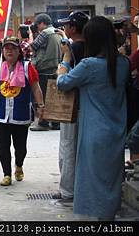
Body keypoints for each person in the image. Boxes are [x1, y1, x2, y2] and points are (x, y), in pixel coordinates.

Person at [56, 16, 129, 220]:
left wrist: (66, 60)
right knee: (111, 180)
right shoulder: (123, 63)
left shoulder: (89, 65)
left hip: (94, 132)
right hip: (116, 131)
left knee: (93, 180)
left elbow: (63, 83)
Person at [0, 36, 44, 186]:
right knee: (3, 146)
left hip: (21, 115)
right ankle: (6, 174)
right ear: (2, 51)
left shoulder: (28, 67)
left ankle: (19, 165)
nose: (9, 51)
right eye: (6, 48)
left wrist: (40, 106)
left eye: (13, 48)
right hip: (1, 116)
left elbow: (35, 87)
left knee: (20, 147)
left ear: (19, 51)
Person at [55, 11, 89, 203]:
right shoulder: (89, 47)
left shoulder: (74, 48)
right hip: (85, 105)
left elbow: (63, 78)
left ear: (73, 28)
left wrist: (64, 58)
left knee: (68, 146)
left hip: (72, 104)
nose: (65, 28)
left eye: (67, 25)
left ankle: (67, 189)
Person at [30, 13, 62, 131]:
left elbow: (32, 46)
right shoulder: (57, 32)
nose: (37, 27)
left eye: (38, 25)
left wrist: (30, 36)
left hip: (43, 68)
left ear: (42, 23)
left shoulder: (45, 33)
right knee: (52, 97)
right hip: (54, 68)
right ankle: (55, 122)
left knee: (41, 97)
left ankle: (43, 122)